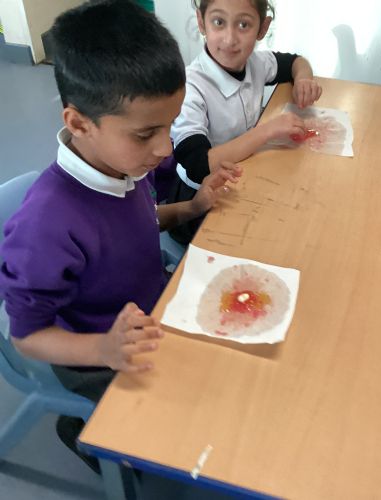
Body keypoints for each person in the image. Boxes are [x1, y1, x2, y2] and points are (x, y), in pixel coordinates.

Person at [0, 0, 241, 472]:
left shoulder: (122, 164)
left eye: (170, 125)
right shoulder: (47, 225)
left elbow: (138, 223)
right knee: (199, 430)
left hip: (149, 308)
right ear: (78, 123)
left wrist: (191, 208)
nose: (165, 147)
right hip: (94, 351)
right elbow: (27, 337)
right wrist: (103, 350)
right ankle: (81, 431)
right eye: (147, 133)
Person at [169, 0, 323, 244]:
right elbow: (198, 165)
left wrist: (304, 79)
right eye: (218, 22)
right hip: (199, 198)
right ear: (201, 22)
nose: (230, 39)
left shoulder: (256, 63)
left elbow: (296, 62)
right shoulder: (191, 87)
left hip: (243, 173)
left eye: (243, 25)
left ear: (262, 28)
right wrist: (267, 131)